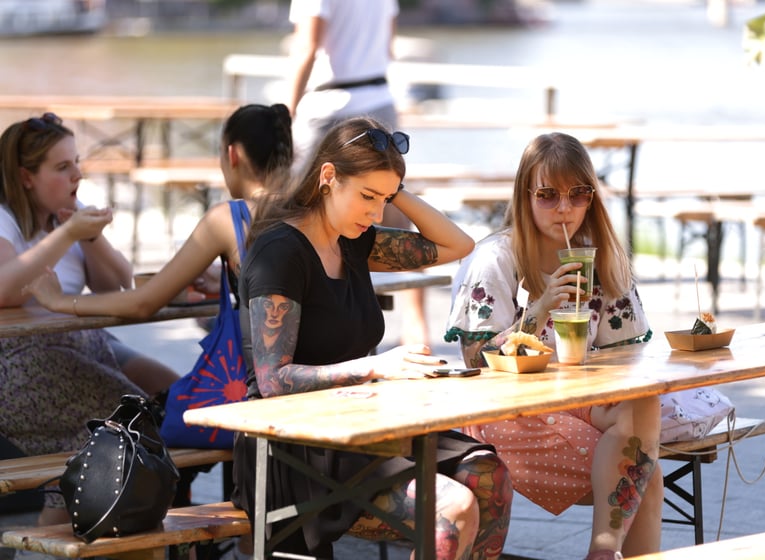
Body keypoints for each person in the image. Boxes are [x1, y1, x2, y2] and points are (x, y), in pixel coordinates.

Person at [232, 116, 513, 559]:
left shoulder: (354, 243)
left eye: (385, 200)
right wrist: (376, 366)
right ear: (328, 176)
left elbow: (459, 245)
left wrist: (391, 185)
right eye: (368, 196)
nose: (377, 214)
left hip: (360, 426)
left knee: (489, 474)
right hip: (293, 445)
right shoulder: (280, 253)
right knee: (453, 508)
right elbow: (272, 381)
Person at [444, 132, 663, 560]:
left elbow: (627, 356)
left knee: (644, 403)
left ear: (591, 199)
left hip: (576, 399)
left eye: (578, 194)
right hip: (505, 409)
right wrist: (541, 307)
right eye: (547, 195)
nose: (564, 208)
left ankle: (602, 551)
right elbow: (475, 362)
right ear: (525, 196)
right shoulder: (497, 259)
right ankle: (604, 551)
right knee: (644, 475)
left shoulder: (601, 258)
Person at [0, 112, 174, 525]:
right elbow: (5, 290)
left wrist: (90, 236)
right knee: (134, 426)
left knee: (175, 398)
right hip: (19, 365)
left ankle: (170, 514)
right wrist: (69, 234)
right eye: (63, 167)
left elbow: (117, 285)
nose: (77, 174)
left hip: (82, 346)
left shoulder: (67, 216)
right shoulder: (6, 220)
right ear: (26, 177)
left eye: (76, 162)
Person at [24, 103, 293, 321]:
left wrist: (59, 301)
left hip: (270, 373)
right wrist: (230, 278)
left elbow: (143, 303)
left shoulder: (228, 219)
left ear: (232, 155)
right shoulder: (307, 206)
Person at [286, 0, 431, 347]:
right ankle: (416, 324)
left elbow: (307, 47)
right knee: (389, 206)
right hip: (379, 99)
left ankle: (299, 306)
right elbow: (388, 45)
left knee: (295, 208)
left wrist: (285, 114)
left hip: (328, 105)